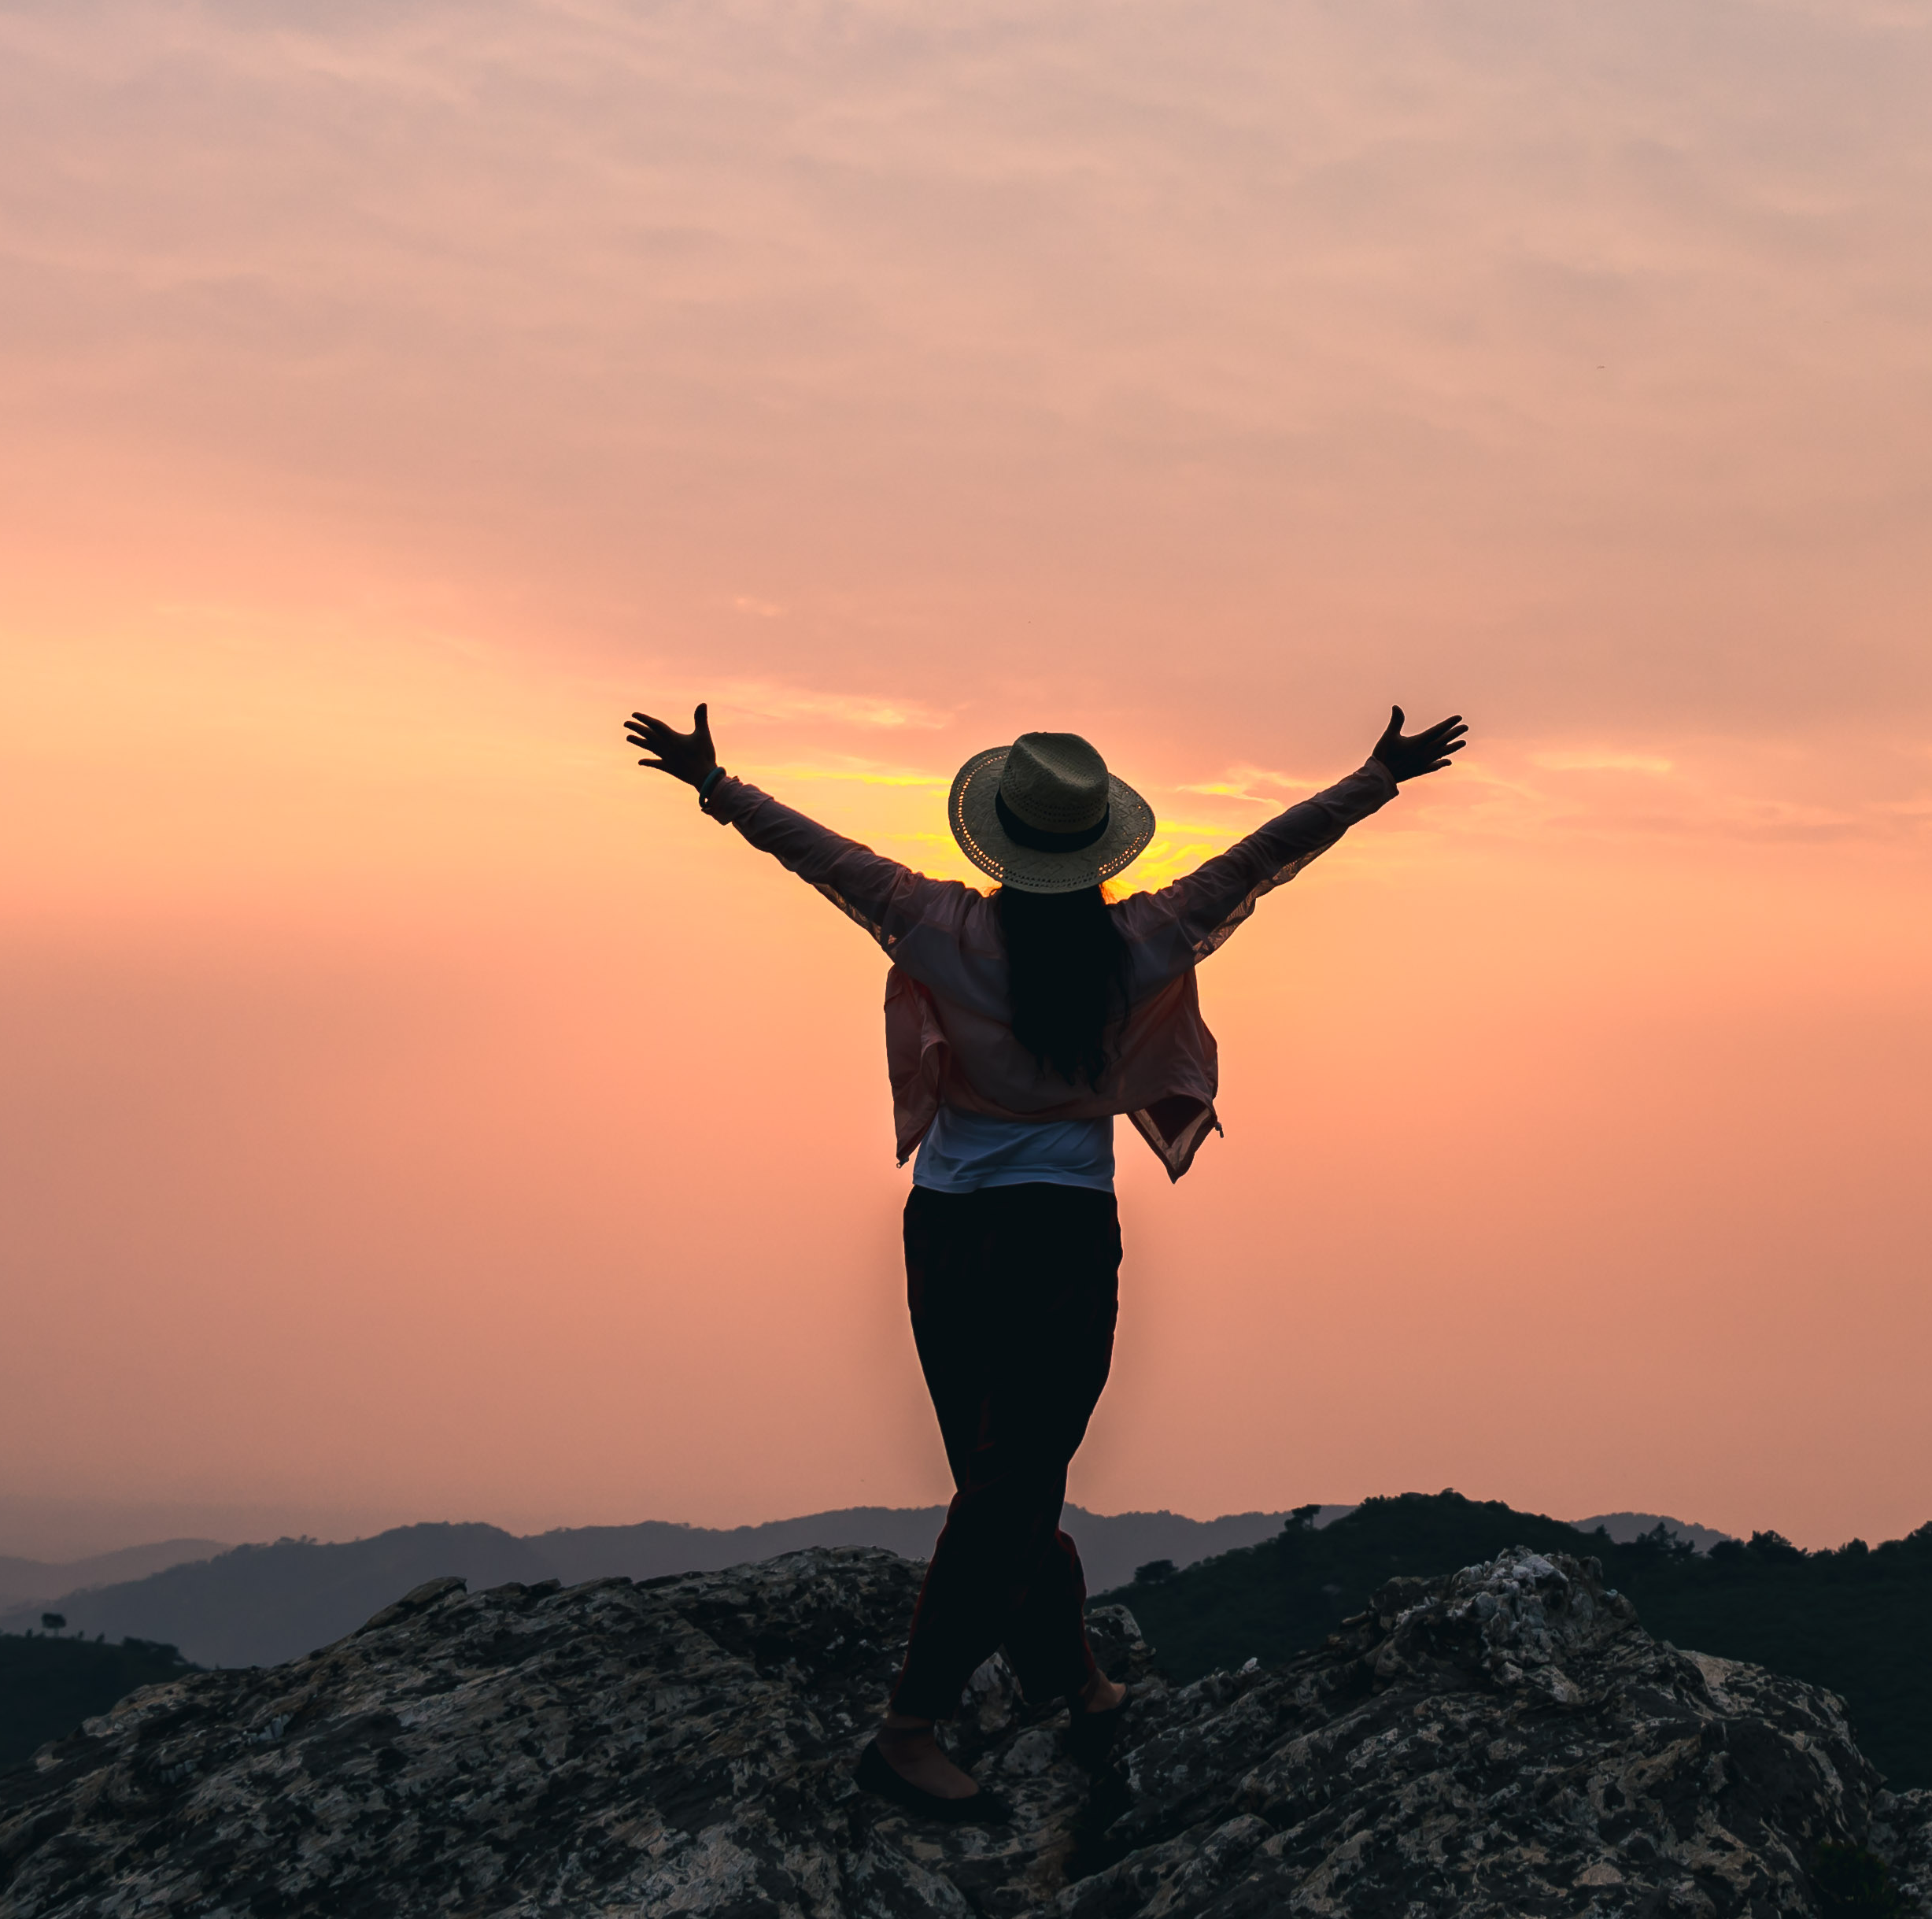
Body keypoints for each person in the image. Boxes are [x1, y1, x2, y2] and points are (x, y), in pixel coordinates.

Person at [619, 693, 1470, 1814]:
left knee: (1002, 1482)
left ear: (1003, 840)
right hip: (1060, 1237)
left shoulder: (934, 925)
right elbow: (1262, 859)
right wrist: (1377, 778)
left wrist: (714, 784)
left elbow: (818, 855)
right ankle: (908, 1728)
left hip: (946, 1233)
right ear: (1097, 846)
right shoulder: (1144, 942)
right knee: (1013, 1484)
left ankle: (1079, 1682)